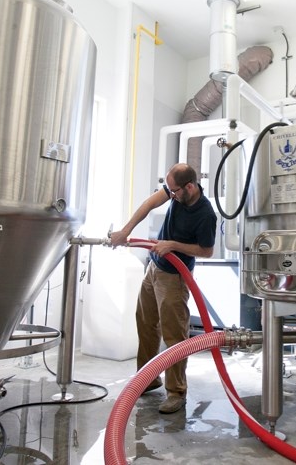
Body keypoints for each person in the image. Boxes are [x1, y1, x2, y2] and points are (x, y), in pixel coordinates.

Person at [109, 163, 217, 414]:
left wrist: (173, 245)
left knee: (174, 335)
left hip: (174, 278)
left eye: (174, 191)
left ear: (189, 187)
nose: (171, 195)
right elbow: (148, 204)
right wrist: (126, 232)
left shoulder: (205, 214)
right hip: (154, 269)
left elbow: (207, 251)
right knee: (146, 323)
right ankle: (147, 379)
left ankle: (176, 392)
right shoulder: (175, 191)